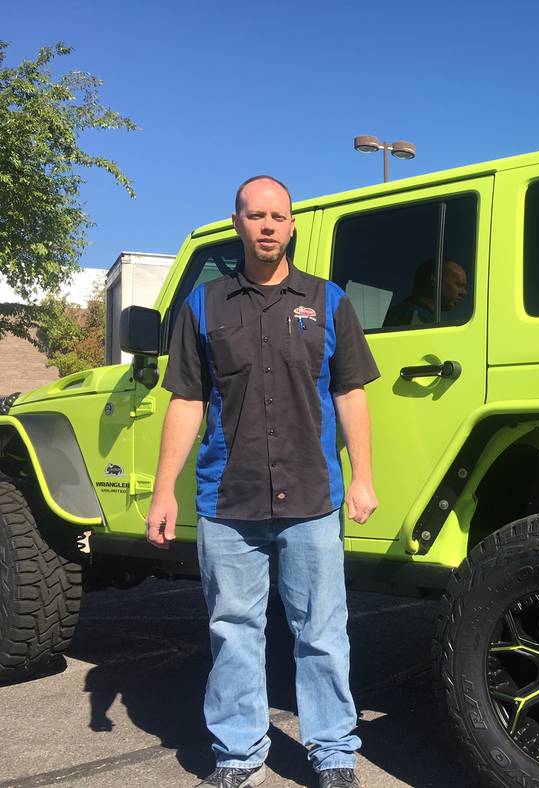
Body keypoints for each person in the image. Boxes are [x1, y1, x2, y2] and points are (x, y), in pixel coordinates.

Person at [146, 175, 379, 788]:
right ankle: (238, 751)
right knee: (233, 631)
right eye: (256, 216)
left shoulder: (330, 302)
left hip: (312, 497)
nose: (268, 226)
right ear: (237, 223)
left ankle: (332, 752)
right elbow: (186, 402)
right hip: (229, 500)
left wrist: (364, 478)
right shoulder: (204, 305)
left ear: (293, 224)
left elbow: (350, 394)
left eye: (278, 215)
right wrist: (163, 491)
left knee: (322, 633)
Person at [383, 256, 468, 327]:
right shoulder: (417, 318)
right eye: (459, 285)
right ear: (435, 280)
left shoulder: (400, 313)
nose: (464, 292)